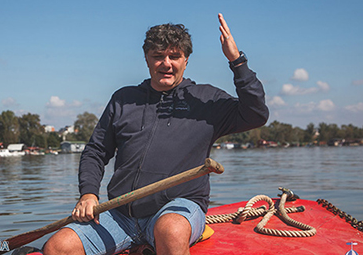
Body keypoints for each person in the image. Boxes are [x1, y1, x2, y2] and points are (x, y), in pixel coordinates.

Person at [43, 13, 269, 255]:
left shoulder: (207, 100)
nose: (167, 63)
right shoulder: (123, 99)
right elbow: (96, 151)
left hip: (177, 208)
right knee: (58, 247)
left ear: (186, 60)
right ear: (147, 59)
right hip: (120, 215)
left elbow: (256, 114)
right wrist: (88, 194)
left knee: (170, 231)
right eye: (158, 56)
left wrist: (237, 61)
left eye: (175, 56)